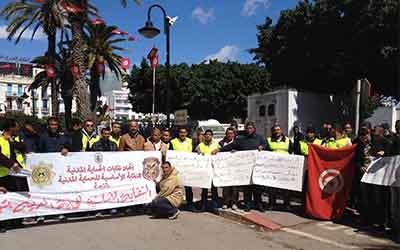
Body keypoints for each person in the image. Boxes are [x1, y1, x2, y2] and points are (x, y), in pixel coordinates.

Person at [216, 121, 267, 212]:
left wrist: (262, 146)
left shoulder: (259, 138)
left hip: (256, 167)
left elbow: (266, 145)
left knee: (257, 187)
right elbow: (231, 146)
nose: (249, 129)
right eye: (247, 128)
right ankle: (247, 205)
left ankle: (259, 204)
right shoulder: (241, 139)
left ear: (254, 129)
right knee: (247, 187)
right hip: (245, 168)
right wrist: (219, 149)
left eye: (251, 128)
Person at [266, 124, 294, 210]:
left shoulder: (288, 141)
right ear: (272, 131)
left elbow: (292, 152)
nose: (277, 131)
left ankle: (287, 204)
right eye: (275, 130)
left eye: (278, 129)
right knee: (272, 187)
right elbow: (265, 152)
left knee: (285, 186)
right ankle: (271, 204)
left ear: (281, 131)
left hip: (285, 168)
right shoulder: (269, 140)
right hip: (273, 167)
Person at [170, 127, 194, 211]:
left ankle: (190, 204)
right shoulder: (173, 141)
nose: (183, 134)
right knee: (175, 187)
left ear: (187, 133)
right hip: (177, 169)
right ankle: (174, 204)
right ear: (178, 133)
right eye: (181, 132)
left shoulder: (190, 141)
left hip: (188, 168)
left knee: (188, 187)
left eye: (184, 132)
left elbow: (194, 152)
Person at [196, 129, 220, 212]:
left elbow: (221, 154)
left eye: (209, 134)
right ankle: (203, 206)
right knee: (204, 189)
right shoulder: (200, 145)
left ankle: (215, 207)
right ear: (204, 136)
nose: (208, 136)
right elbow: (195, 153)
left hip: (213, 170)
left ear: (212, 136)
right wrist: (198, 152)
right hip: (204, 170)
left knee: (214, 189)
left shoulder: (216, 145)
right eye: (206, 134)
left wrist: (218, 150)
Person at [218, 127, 239, 210]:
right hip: (225, 168)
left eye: (231, 133)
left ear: (234, 134)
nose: (229, 135)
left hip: (235, 168)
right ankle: (225, 202)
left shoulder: (238, 143)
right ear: (225, 134)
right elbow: (218, 152)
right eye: (228, 133)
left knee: (234, 187)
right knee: (226, 187)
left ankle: (234, 203)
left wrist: (236, 152)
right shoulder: (221, 143)